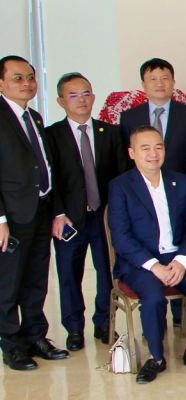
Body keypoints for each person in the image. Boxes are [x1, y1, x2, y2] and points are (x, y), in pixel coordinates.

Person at [108, 126, 186, 383]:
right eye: (145, 148)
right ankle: (156, 358)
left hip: (178, 256)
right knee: (153, 298)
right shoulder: (120, 186)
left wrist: (181, 261)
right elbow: (121, 237)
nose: (153, 153)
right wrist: (154, 266)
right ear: (132, 153)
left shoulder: (179, 181)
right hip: (141, 262)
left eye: (158, 147)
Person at [46, 72, 128, 351]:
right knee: (69, 275)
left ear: (93, 97)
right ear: (61, 101)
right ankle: (73, 329)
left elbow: (121, 176)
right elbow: (51, 179)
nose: (81, 100)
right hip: (69, 219)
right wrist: (58, 213)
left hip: (103, 217)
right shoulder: (52, 135)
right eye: (73, 95)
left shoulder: (110, 132)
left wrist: (117, 214)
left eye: (86, 94)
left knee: (107, 272)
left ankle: (104, 323)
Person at [0, 55, 69, 371]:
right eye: (18, 78)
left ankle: (35, 336)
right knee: (8, 283)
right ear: (1, 83)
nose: (27, 83)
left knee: (36, 279)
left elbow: (47, 167)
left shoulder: (35, 117)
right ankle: (12, 345)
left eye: (30, 77)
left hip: (41, 210)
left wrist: (57, 211)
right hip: (12, 216)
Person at [119, 58, 186, 185]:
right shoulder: (129, 117)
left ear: (173, 82)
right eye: (153, 79)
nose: (159, 84)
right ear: (143, 84)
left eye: (164, 78)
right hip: (140, 187)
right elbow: (126, 161)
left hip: (181, 187)